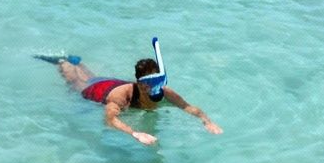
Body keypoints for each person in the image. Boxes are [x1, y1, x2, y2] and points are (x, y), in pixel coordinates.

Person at [35, 51, 221, 145]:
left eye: (156, 81)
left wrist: (206, 121)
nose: (152, 87)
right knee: (76, 81)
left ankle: (78, 62)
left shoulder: (164, 92)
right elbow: (110, 120)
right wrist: (134, 133)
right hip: (98, 91)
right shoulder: (121, 97)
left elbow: (188, 107)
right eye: (147, 83)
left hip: (111, 82)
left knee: (90, 75)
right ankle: (63, 62)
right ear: (138, 82)